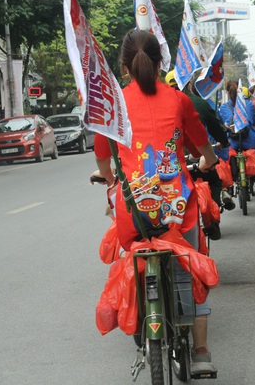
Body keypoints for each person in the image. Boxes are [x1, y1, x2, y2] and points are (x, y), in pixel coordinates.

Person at [93, 30, 219, 375]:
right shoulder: (180, 100)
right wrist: (206, 161)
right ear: (161, 62)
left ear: (123, 66)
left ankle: (141, 315)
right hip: (178, 207)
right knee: (188, 269)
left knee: (135, 258)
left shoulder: (113, 105)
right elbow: (203, 149)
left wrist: (108, 177)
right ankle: (202, 351)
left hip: (135, 210)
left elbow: (104, 162)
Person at [165, 69, 235, 218]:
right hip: (199, 157)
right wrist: (223, 141)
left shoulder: (162, 106)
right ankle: (213, 219)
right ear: (188, 85)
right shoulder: (197, 103)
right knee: (214, 179)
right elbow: (215, 127)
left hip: (170, 162)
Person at [218, 81, 255, 187]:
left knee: (228, 154)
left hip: (233, 142)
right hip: (250, 141)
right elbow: (253, 122)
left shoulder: (224, 107)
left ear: (228, 92)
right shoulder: (249, 104)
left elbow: (224, 125)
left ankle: (231, 182)